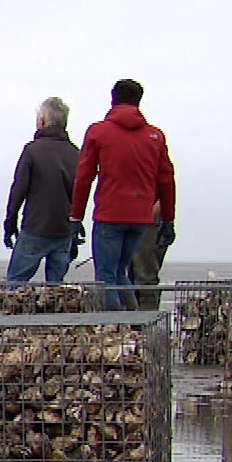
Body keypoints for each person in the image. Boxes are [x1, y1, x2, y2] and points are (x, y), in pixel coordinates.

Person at [69, 79, 176, 310]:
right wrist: (168, 220)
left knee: (106, 275)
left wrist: (75, 216)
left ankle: (116, 323)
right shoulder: (155, 136)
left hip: (110, 213)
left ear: (113, 99)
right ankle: (135, 322)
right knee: (120, 272)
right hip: (140, 217)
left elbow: (84, 178)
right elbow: (167, 180)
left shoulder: (98, 132)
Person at [2, 97, 79, 284]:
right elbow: (78, 193)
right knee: (55, 287)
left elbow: (18, 189)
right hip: (64, 228)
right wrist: (76, 226)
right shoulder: (75, 153)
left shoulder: (32, 151)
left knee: (16, 282)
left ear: (42, 121)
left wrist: (10, 222)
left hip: (36, 226)